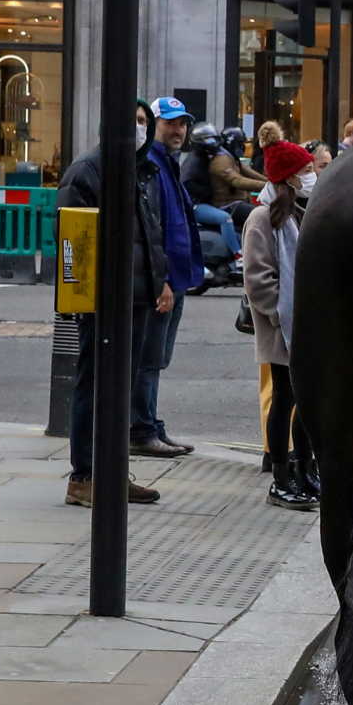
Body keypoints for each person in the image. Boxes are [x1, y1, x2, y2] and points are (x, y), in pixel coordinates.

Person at [57, 104, 170, 508]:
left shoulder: (141, 170)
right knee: (95, 384)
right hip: (104, 301)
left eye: (143, 122)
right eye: (132, 120)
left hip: (138, 297)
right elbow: (72, 237)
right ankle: (85, 476)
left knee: (121, 385)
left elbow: (149, 234)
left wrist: (161, 283)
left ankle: (112, 472)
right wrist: (88, 298)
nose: (139, 129)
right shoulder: (88, 169)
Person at [242, 140, 318, 510]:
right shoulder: (262, 218)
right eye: (305, 170)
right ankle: (281, 477)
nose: (312, 175)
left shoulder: (301, 212)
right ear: (288, 177)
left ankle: (305, 469)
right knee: (284, 399)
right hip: (281, 328)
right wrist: (280, 314)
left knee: (305, 402)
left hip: (304, 325)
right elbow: (257, 279)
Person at [137, 97, 206, 459]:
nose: (178, 130)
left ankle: (149, 423)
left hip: (174, 280)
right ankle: (141, 429)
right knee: (149, 357)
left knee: (157, 358)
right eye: (170, 123)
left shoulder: (168, 164)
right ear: (153, 125)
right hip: (160, 282)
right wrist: (161, 281)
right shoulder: (150, 165)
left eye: (182, 124)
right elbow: (152, 229)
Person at [179, 128, 243, 286]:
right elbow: (187, 184)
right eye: (210, 140)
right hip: (195, 205)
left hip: (198, 203)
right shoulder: (194, 161)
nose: (214, 143)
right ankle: (238, 256)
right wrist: (207, 193)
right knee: (225, 219)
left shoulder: (203, 158)